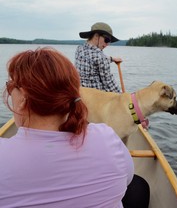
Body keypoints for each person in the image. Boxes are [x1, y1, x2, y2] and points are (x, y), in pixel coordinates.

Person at [0, 47, 149, 207]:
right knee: (138, 186)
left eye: (10, 87)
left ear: (23, 98)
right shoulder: (107, 137)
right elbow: (127, 178)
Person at [75, 22, 122, 93]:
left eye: (109, 42)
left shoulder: (79, 49)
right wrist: (123, 96)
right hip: (97, 100)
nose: (107, 44)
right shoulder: (101, 58)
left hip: (80, 95)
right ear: (96, 36)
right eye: (107, 40)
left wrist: (112, 59)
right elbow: (109, 85)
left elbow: (92, 58)